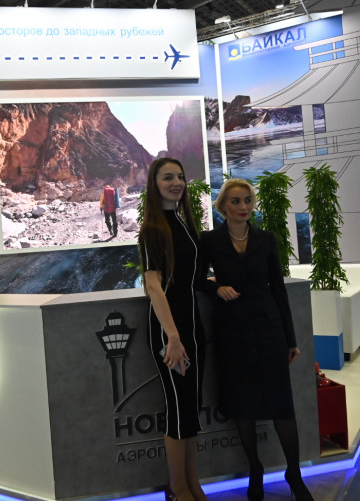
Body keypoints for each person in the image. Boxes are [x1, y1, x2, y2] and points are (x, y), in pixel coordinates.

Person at [199, 179, 312, 501]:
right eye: (236, 201)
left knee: (282, 405)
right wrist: (216, 287)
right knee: (242, 404)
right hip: (231, 329)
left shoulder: (266, 239)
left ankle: (294, 473)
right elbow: (195, 279)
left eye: (248, 200)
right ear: (223, 206)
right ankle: (255, 469)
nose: (244, 206)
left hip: (268, 327)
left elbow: (278, 288)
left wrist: (290, 338)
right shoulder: (210, 240)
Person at [138, 158, 207, 501]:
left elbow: (192, 279)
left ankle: (193, 483)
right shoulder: (152, 229)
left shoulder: (182, 223)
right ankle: (178, 488)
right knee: (179, 410)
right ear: (155, 184)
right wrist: (174, 338)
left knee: (190, 410)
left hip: (192, 327)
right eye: (168, 177)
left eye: (180, 176)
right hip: (171, 332)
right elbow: (154, 286)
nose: (177, 182)